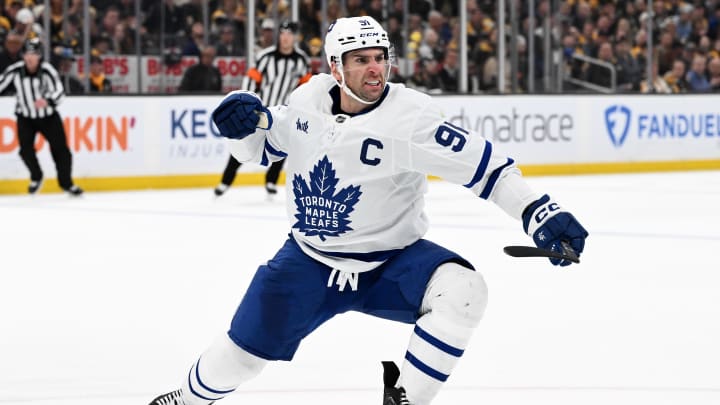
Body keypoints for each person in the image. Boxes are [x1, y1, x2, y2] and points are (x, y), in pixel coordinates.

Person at [149, 16, 588, 405]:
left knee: (464, 291)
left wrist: (539, 212)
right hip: (309, 261)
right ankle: (185, 401)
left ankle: (405, 401)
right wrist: (238, 130)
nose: (374, 67)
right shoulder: (307, 100)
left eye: (380, 56)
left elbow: (486, 167)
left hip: (391, 263)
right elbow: (261, 147)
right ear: (335, 68)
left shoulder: (412, 117)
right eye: (359, 59)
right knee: (239, 360)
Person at [213, 19, 311, 198]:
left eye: (289, 34)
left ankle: (271, 181)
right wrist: (246, 105)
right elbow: (251, 80)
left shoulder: (302, 60)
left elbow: (305, 87)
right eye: (282, 34)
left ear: (295, 37)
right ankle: (225, 182)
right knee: (243, 142)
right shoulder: (266, 57)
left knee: (282, 146)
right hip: (261, 111)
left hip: (283, 113)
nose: (285, 38)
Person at [0, 37, 83, 195]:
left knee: (61, 151)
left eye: (34, 54)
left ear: (39, 56)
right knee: (25, 150)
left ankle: (67, 183)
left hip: (48, 117)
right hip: (25, 117)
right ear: (23, 55)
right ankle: (36, 176)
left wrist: (48, 101)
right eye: (27, 54)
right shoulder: (15, 70)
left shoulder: (47, 70)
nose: (30, 58)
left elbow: (59, 91)